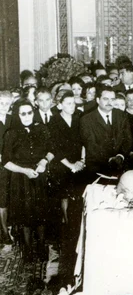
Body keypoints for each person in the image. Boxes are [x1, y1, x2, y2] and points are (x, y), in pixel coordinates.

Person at [3, 100, 53, 261]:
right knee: (25, 215)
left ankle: (42, 247)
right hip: (21, 178)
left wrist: (44, 162)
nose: (27, 116)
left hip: (39, 175)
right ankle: (29, 250)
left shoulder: (42, 128)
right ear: (17, 115)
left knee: (41, 212)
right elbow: (6, 162)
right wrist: (25, 171)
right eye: (23, 113)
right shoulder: (11, 133)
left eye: (29, 112)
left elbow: (52, 150)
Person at [48, 90, 85, 225]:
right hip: (61, 164)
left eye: (73, 103)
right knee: (64, 196)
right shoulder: (54, 121)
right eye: (68, 104)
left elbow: (84, 142)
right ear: (60, 105)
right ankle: (66, 225)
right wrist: (70, 165)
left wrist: (81, 161)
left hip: (78, 162)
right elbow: (55, 147)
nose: (72, 106)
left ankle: (76, 225)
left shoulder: (78, 118)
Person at [80, 85, 133, 176]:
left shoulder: (121, 115)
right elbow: (91, 145)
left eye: (112, 99)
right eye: (105, 99)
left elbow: (128, 139)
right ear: (97, 100)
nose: (109, 102)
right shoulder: (86, 119)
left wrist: (120, 155)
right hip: (98, 165)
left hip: (120, 163)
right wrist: (110, 159)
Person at [0, 91, 13, 244]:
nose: (4, 106)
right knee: (2, 199)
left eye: (7, 103)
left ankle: (10, 227)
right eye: (1, 103)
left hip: (12, 164)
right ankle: (4, 233)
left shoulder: (12, 119)